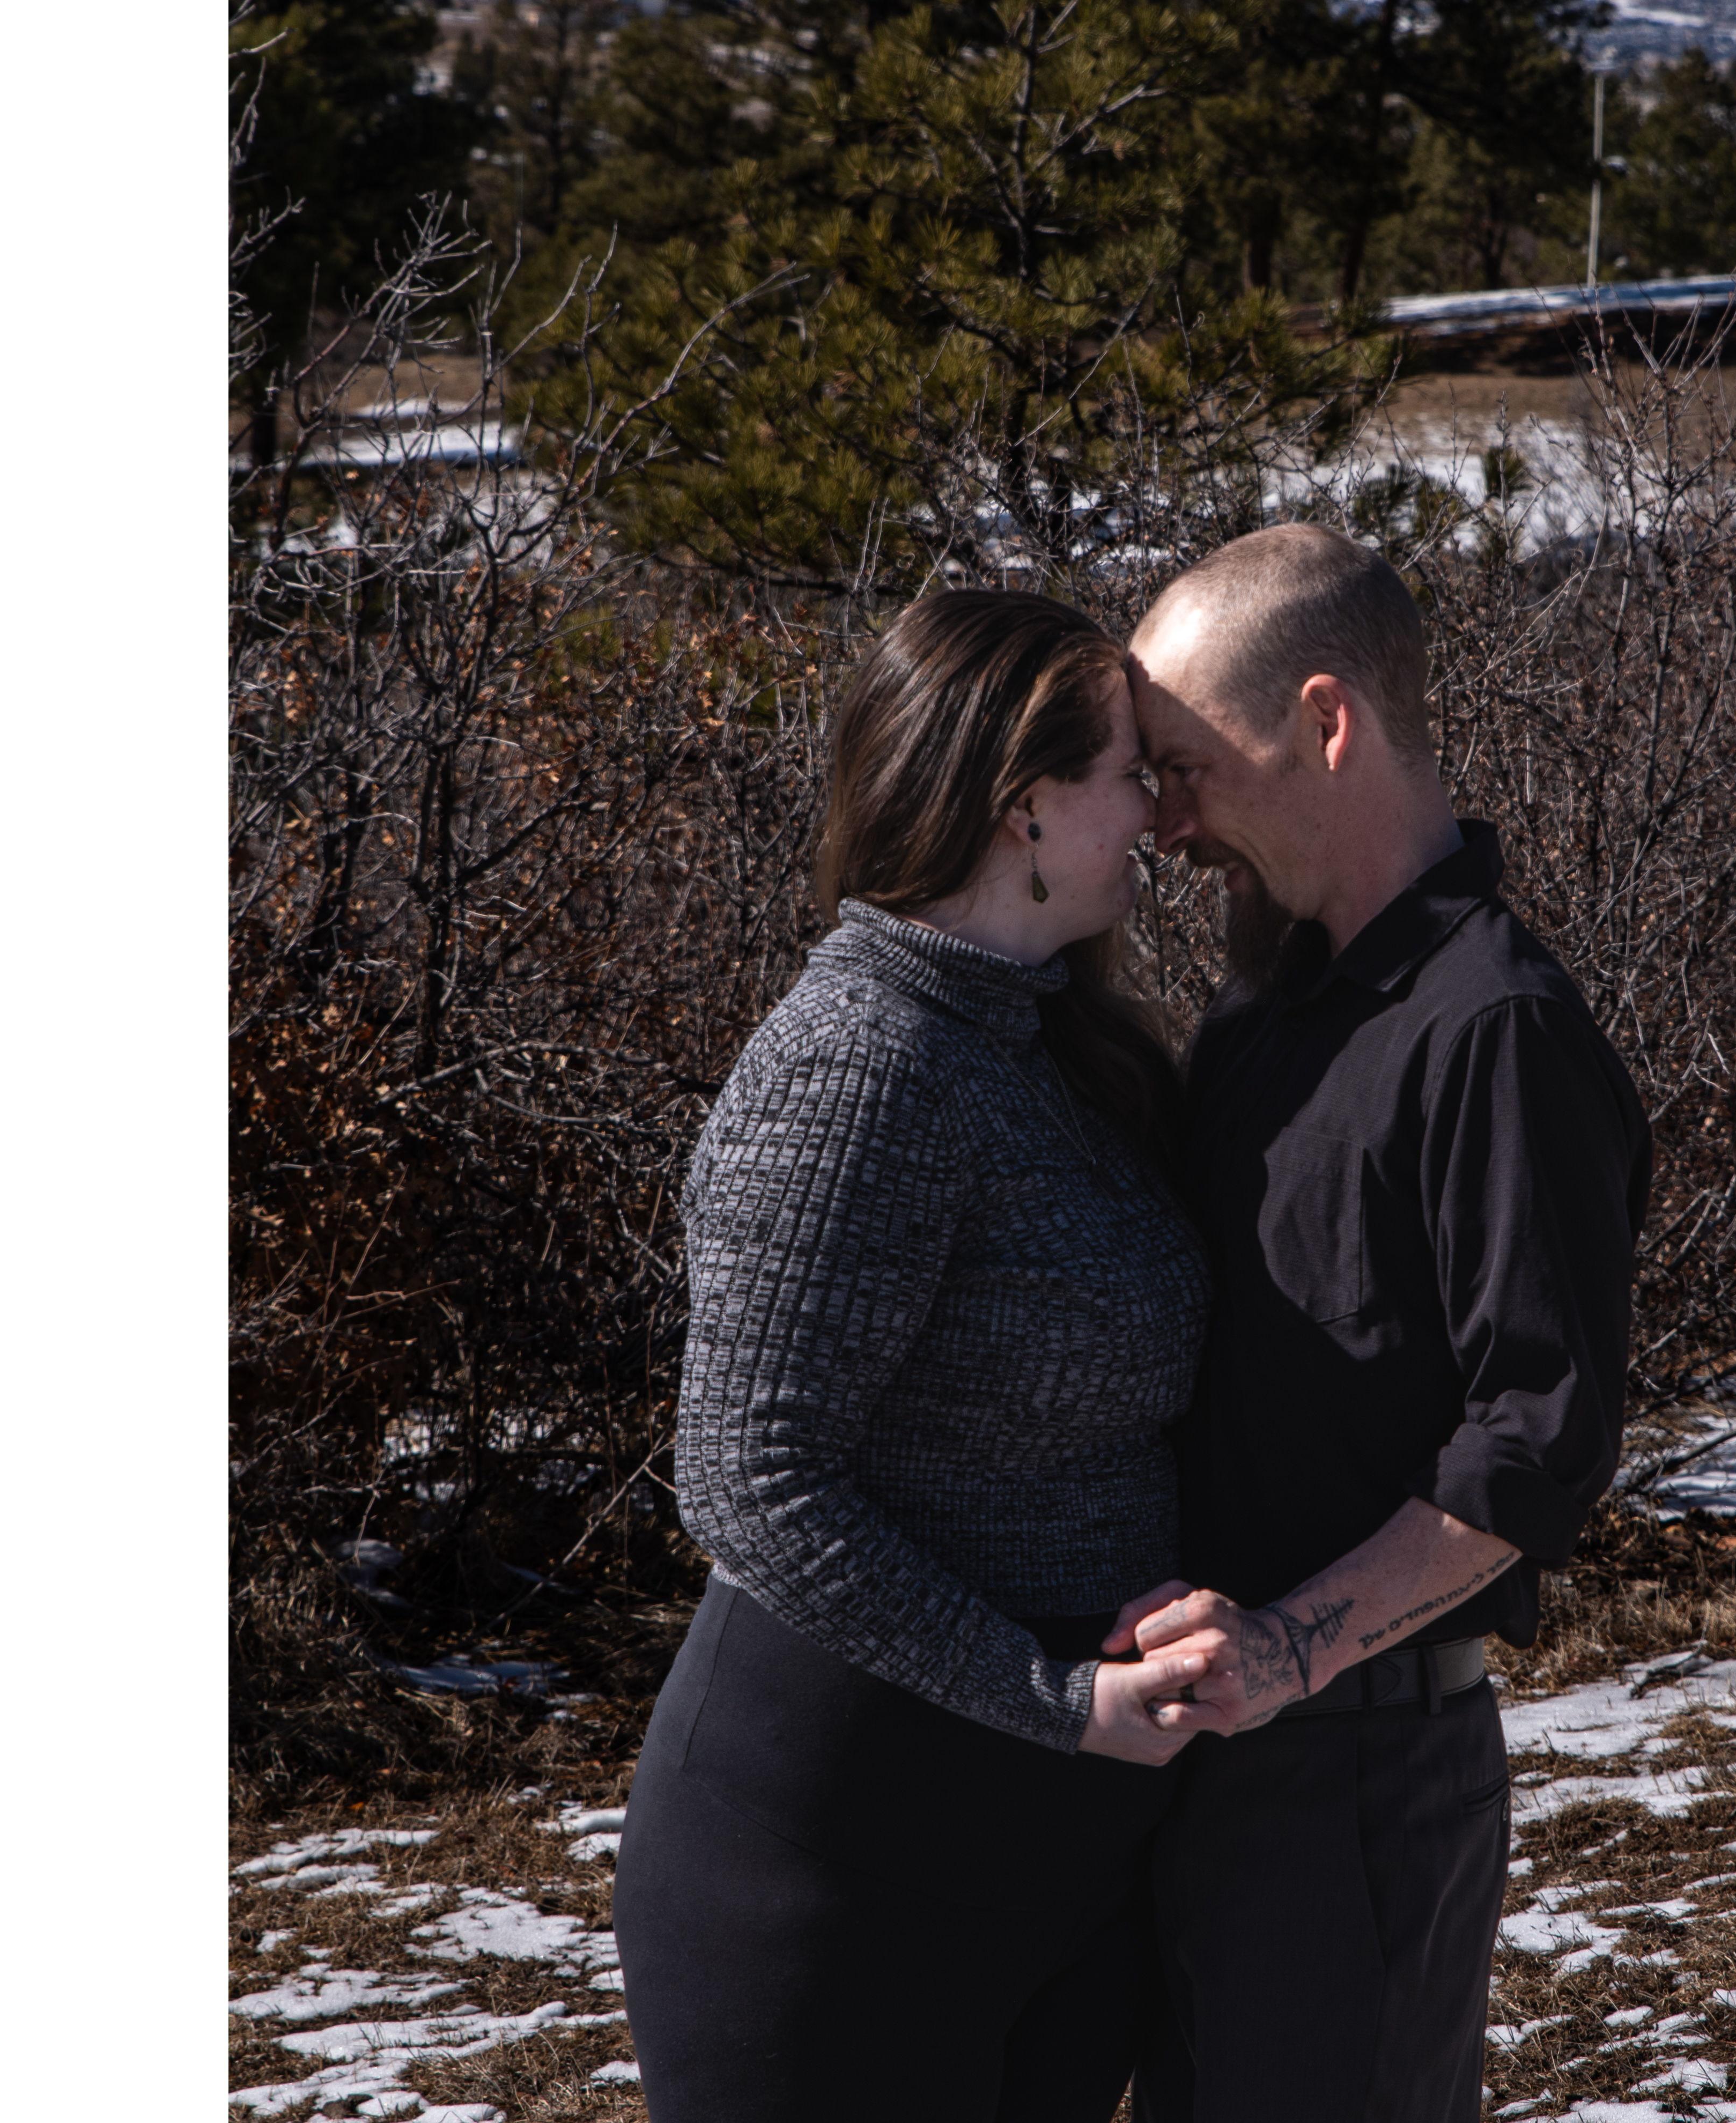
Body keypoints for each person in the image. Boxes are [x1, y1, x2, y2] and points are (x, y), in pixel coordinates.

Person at [611, 589, 1231, 2123]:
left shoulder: (1044, 1044)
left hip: (1043, 1850)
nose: (1160, 818)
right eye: (1134, 775)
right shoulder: (856, 1066)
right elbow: (750, 1480)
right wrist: (1053, 1697)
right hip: (836, 1863)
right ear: (1026, 805)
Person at [1115, 523, 1650, 2123]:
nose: (1165, 822)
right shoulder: (1263, 1010)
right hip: (1203, 1775)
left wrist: (1289, 1650)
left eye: (1187, 769)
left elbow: (1535, 1445)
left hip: (1358, 1785)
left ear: (1327, 721)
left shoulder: (1497, 1032)